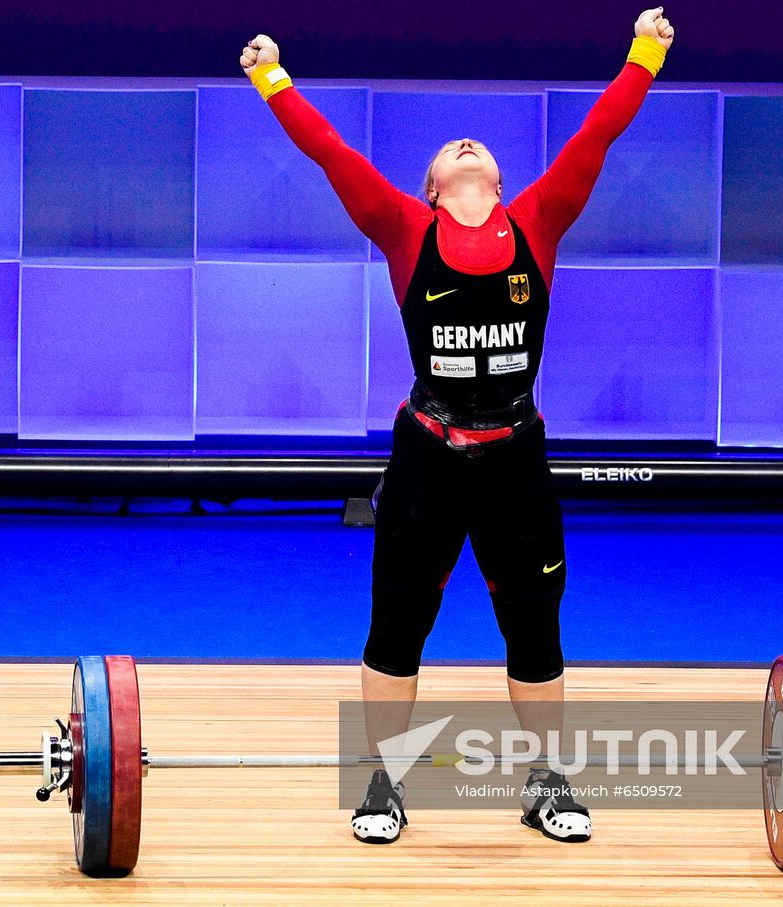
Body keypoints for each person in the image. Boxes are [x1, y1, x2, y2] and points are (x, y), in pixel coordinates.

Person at [240, 7, 675, 845]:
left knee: (535, 625)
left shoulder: (539, 221)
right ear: (433, 188)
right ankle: (383, 784)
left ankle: (547, 782)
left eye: (480, 148)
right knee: (397, 624)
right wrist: (271, 76)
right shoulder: (405, 228)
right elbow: (330, 152)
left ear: (501, 185)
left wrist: (644, 52)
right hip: (428, 459)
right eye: (451, 150)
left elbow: (598, 135)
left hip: (515, 458)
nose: (468, 143)